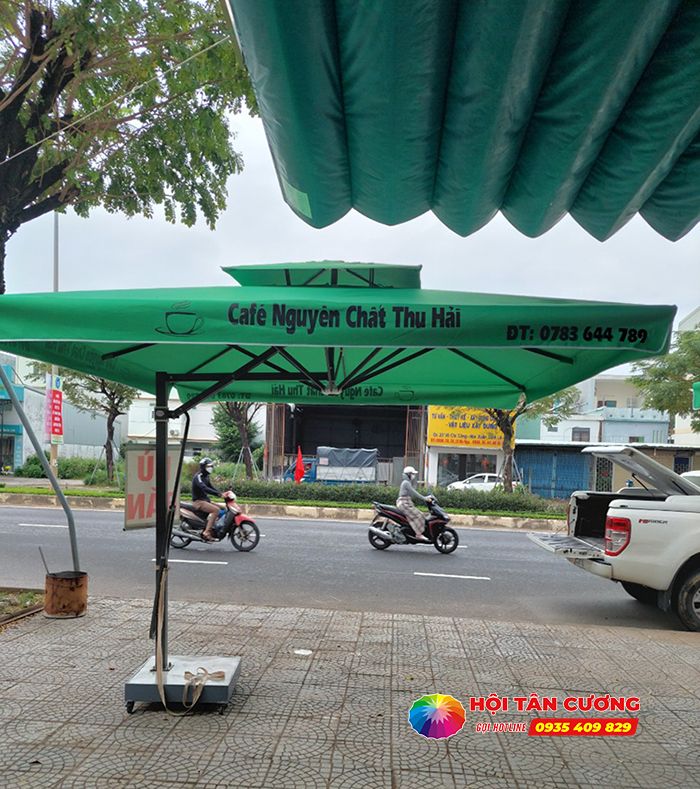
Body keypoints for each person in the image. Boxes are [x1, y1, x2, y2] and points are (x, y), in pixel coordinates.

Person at [396, 466, 432, 541]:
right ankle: (418, 534)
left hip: (405, 503)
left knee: (420, 515)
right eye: (412, 474)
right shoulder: (406, 483)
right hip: (404, 503)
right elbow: (415, 493)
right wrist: (425, 499)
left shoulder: (407, 482)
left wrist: (426, 497)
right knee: (419, 515)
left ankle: (414, 531)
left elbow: (414, 492)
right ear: (408, 474)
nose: (413, 475)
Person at [191, 457, 222, 541]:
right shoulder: (198, 476)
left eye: (211, 466)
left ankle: (215, 527)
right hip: (198, 502)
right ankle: (207, 531)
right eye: (208, 466)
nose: (210, 468)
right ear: (203, 467)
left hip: (205, 501)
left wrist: (222, 493)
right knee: (216, 510)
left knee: (224, 508)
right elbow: (204, 488)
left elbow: (211, 487)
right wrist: (218, 494)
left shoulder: (206, 477)